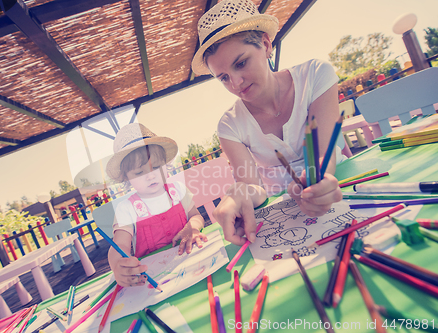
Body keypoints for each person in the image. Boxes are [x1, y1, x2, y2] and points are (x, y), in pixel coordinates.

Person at [191, 0, 344, 246]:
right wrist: (239, 193)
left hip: (342, 188)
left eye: (241, 63)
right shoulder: (229, 125)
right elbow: (253, 186)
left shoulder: (316, 75)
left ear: (265, 44)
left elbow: (323, 159)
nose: (236, 83)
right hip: (283, 217)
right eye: (223, 78)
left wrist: (317, 183)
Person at [106, 123, 207, 287]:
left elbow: (195, 215)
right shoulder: (127, 209)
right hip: (154, 280)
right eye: (140, 172)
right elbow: (120, 244)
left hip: (193, 262)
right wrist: (118, 264)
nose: (151, 176)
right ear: (127, 178)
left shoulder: (178, 191)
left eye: (157, 167)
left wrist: (192, 227)